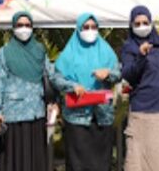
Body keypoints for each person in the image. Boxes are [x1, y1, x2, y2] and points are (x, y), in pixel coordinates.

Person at [51, 13, 121, 171]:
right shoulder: (69, 54)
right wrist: (72, 86)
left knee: (102, 164)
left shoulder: (106, 51)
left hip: (102, 117)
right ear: (78, 29)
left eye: (94, 27)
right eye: (86, 27)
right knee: (78, 165)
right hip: (77, 118)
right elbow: (56, 79)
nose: (90, 30)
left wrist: (108, 74)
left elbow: (118, 73)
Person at [0, 11, 52, 171]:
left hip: (36, 113)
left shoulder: (39, 51)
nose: (24, 28)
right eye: (19, 25)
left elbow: (51, 75)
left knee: (35, 160)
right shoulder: (4, 53)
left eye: (27, 25)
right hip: (12, 115)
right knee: (14, 160)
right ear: (13, 27)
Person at [121, 5, 159, 171]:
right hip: (141, 113)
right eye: (137, 23)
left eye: (145, 22)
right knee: (135, 164)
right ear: (131, 26)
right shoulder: (129, 47)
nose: (141, 26)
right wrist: (140, 56)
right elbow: (128, 74)